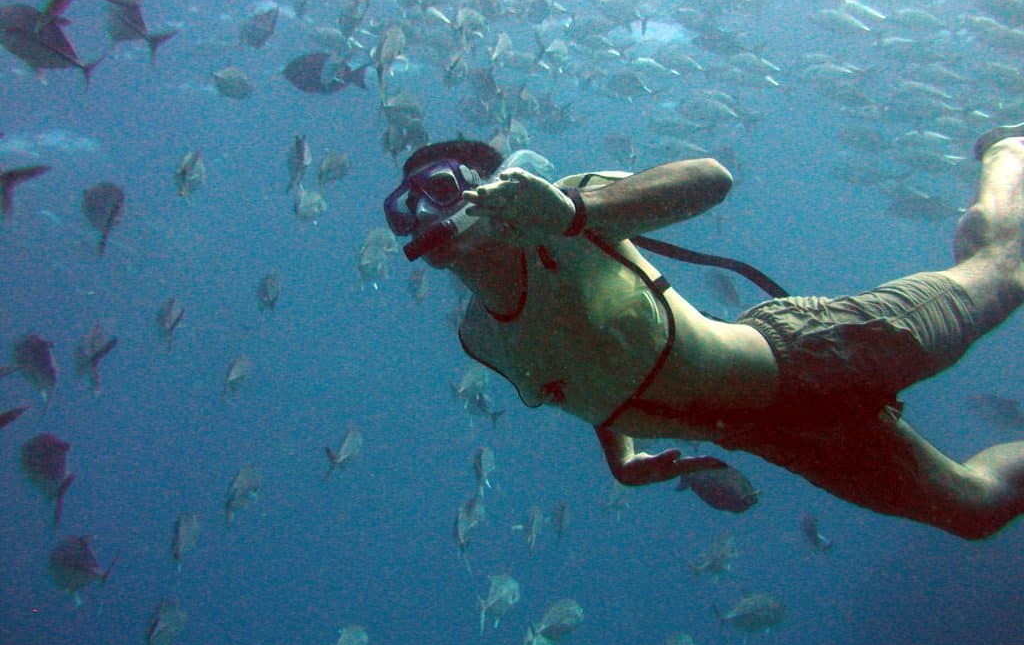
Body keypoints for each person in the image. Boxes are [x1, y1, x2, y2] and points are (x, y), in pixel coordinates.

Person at [383, 127, 1024, 540]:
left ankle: (1009, 152)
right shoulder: (479, 337)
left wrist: (576, 210)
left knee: (1000, 275)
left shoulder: (567, 212)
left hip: (812, 351)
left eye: (439, 189)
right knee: (975, 508)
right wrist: (623, 459)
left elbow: (712, 179)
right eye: (402, 209)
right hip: (773, 434)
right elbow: (576, 367)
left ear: (489, 187)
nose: (421, 216)